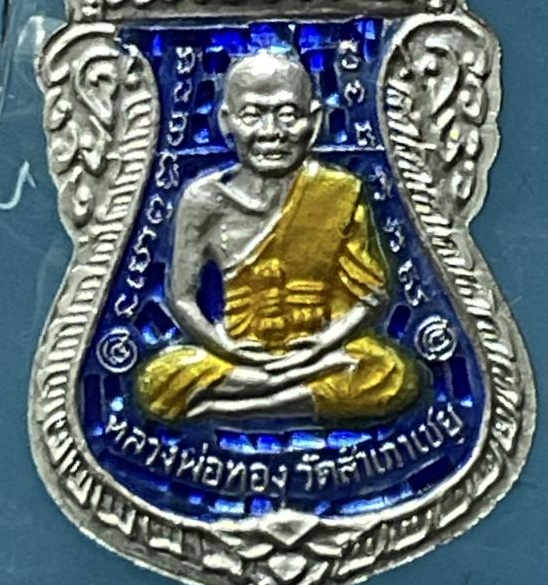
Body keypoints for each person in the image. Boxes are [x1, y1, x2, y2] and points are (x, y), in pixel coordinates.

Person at [136, 51, 420, 421]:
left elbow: (371, 295)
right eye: (252, 115)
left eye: (287, 114)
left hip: (318, 348)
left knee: (392, 374)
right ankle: (285, 388)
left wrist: (321, 345)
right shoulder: (203, 200)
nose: (271, 132)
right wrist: (225, 348)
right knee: (159, 379)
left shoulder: (337, 191)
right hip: (241, 353)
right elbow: (182, 298)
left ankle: (247, 404)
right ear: (226, 122)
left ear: (314, 121)